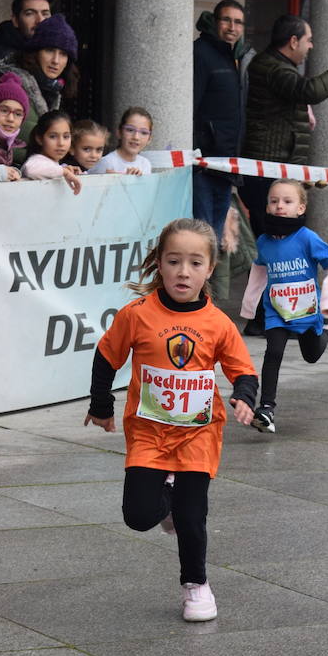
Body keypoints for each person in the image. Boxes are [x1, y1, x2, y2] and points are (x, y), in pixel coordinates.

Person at [84, 218, 258, 623]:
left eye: (195, 263)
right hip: (148, 432)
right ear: (159, 264)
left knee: (193, 517)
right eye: (174, 261)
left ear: (209, 269)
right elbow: (107, 357)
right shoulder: (138, 314)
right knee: (138, 516)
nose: (184, 271)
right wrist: (101, 405)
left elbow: (242, 370)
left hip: (198, 434)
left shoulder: (218, 323)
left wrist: (245, 398)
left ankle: (196, 585)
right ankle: (164, 504)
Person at [240, 14, 328, 236]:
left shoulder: (274, 65)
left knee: (278, 236)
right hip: (269, 168)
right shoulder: (275, 68)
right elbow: (310, 91)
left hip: (274, 165)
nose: (311, 46)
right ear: (294, 41)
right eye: (309, 40)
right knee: (272, 236)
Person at [238, 179, 328, 434]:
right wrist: (250, 308)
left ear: (301, 208)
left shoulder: (307, 238)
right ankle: (266, 409)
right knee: (273, 352)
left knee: (312, 355)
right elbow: (259, 271)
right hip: (276, 310)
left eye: (287, 201)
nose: (279, 206)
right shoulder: (263, 241)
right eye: (273, 201)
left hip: (306, 310)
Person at [0, 14, 79, 166]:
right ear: (35, 52)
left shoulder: (53, 92)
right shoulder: (2, 88)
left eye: (63, 54)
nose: (56, 61)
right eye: (49, 50)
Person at [192, 0, 247, 239]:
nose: (232, 27)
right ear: (215, 23)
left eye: (238, 22)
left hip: (226, 164)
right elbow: (191, 104)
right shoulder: (201, 52)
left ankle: (206, 278)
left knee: (213, 236)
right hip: (203, 165)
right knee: (203, 233)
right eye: (226, 20)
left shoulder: (236, 58)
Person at [20, 109, 81, 193]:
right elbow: (31, 170)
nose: (61, 143)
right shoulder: (36, 160)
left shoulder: (53, 165)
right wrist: (64, 172)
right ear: (39, 139)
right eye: (53, 136)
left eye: (66, 136)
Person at [88, 107, 153, 175]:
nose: (136, 137)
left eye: (144, 133)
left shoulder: (145, 164)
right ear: (119, 132)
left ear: (149, 139)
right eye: (130, 130)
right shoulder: (107, 163)